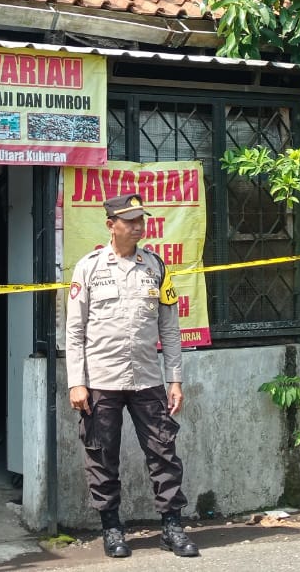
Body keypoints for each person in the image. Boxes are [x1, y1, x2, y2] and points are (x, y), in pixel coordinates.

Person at [65, 192, 199, 559]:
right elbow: (74, 331)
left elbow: (169, 329)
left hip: (147, 379)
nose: (139, 226)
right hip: (101, 381)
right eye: (130, 221)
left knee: (163, 452)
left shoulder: (155, 266)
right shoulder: (88, 268)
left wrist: (174, 379)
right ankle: (111, 528)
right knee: (102, 454)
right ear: (111, 225)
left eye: (142, 220)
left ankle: (172, 526)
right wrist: (76, 381)